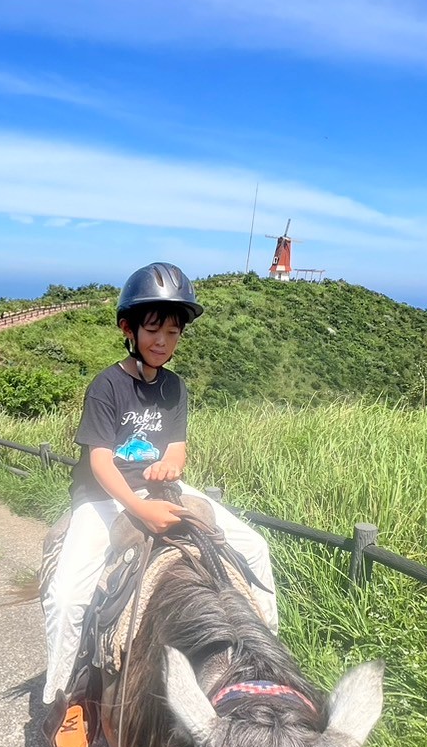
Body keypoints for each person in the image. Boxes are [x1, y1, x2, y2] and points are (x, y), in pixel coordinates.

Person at [40, 262, 278, 717]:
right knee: (68, 594)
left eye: (172, 331)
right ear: (128, 328)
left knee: (256, 548)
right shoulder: (106, 386)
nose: (163, 341)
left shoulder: (175, 388)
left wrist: (171, 464)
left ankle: (263, 664)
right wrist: (139, 510)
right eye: (153, 329)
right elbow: (100, 461)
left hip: (162, 490)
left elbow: (177, 447)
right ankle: (63, 693)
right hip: (105, 497)